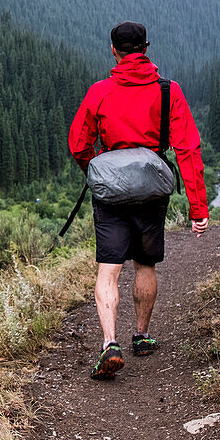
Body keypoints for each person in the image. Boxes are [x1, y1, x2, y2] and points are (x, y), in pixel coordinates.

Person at [68, 21, 209, 380]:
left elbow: (78, 145)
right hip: (151, 187)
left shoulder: (100, 91)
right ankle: (142, 336)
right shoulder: (168, 91)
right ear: (146, 48)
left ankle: (109, 343)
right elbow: (188, 149)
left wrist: (98, 171)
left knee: (109, 268)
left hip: (111, 192)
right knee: (145, 264)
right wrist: (198, 208)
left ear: (112, 50)